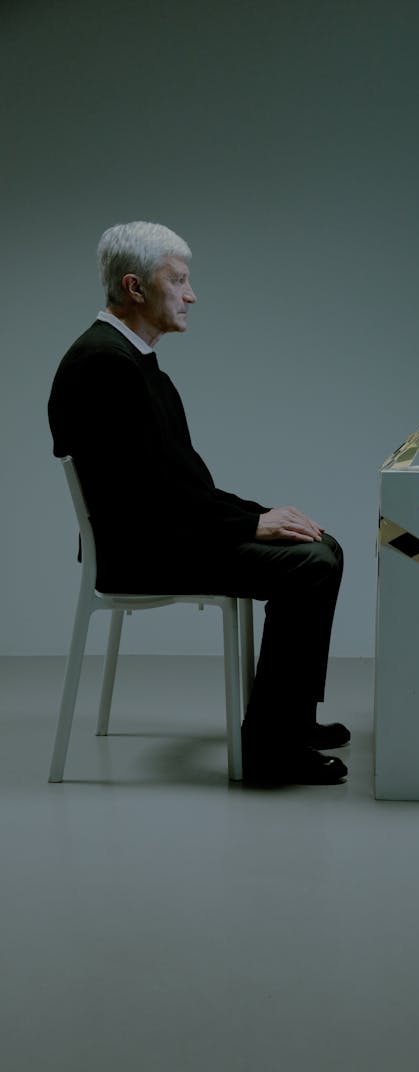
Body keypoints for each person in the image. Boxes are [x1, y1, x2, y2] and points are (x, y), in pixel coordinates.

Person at [48, 221, 348, 786]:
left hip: (164, 530)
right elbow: (151, 500)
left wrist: (258, 516)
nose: (191, 294)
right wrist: (252, 522)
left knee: (318, 543)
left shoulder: (127, 356)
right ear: (135, 288)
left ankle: (289, 722)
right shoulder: (106, 364)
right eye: (178, 281)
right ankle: (271, 751)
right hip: (143, 550)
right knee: (312, 564)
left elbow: (176, 483)